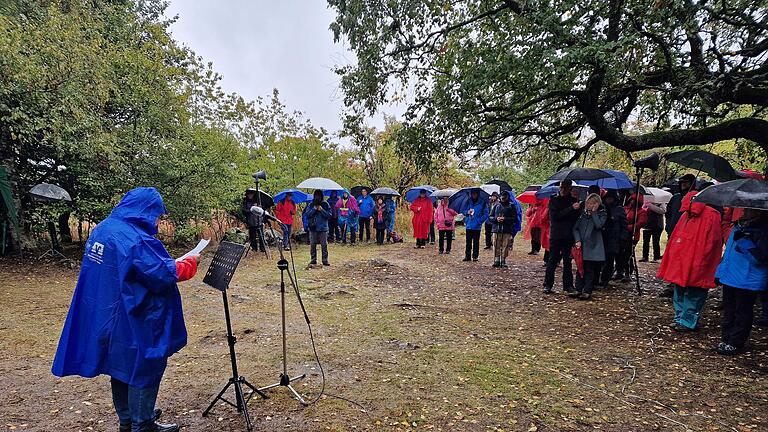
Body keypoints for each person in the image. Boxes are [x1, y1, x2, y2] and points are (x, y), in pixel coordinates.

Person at [52, 187, 199, 432]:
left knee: (119, 365)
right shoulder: (134, 238)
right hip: (136, 316)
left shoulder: (104, 229)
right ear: (145, 210)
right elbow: (161, 274)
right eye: (156, 215)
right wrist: (188, 264)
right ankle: (143, 424)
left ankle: (127, 420)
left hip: (107, 313)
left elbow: (133, 268)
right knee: (145, 365)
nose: (157, 221)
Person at [657, 191, 723, 332]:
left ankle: (685, 320)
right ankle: (683, 319)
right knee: (684, 290)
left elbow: (712, 242)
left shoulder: (701, 215)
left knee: (690, 291)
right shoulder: (691, 215)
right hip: (688, 260)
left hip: (691, 260)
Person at [715, 209, 768, 355]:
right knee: (729, 311)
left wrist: (746, 242)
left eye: (749, 209)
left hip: (748, 279)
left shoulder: (762, 230)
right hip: (731, 276)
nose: (744, 211)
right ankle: (726, 339)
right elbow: (729, 253)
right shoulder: (739, 226)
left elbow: (762, 258)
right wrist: (720, 272)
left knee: (742, 312)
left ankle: (736, 342)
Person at [543, 180, 580, 293]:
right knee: (552, 260)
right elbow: (555, 217)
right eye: (561, 187)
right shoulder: (554, 200)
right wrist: (571, 209)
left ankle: (568, 286)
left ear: (570, 188)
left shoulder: (574, 201)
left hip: (568, 236)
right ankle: (548, 284)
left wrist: (577, 209)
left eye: (565, 187)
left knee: (567, 262)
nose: (563, 190)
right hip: (556, 235)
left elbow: (576, 220)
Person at [570, 193, 607, 300]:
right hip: (581, 245)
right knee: (579, 268)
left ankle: (587, 290)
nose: (589, 205)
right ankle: (578, 289)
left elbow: (599, 225)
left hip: (593, 246)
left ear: (597, 204)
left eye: (592, 203)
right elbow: (575, 228)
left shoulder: (602, 214)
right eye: (588, 203)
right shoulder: (582, 214)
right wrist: (577, 240)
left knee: (589, 269)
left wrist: (594, 213)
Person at [599, 190, 628, 287]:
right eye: (607, 198)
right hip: (603, 237)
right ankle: (600, 278)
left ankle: (605, 279)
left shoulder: (619, 209)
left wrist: (623, 238)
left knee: (609, 260)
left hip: (614, 238)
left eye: (610, 198)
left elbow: (624, 225)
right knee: (602, 260)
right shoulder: (602, 208)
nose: (609, 200)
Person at [616, 192, 647, 282]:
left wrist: (627, 227)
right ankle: (619, 271)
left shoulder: (641, 212)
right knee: (619, 254)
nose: (633, 202)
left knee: (627, 255)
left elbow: (640, 223)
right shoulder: (625, 209)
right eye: (632, 200)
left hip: (632, 236)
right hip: (622, 234)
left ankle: (627, 273)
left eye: (635, 201)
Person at [491, 190, 518, 268]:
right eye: (502, 197)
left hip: (507, 229)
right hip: (496, 229)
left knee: (505, 245)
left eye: (504, 197)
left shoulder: (511, 206)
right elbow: (490, 216)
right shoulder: (496, 206)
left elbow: (515, 218)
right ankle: (496, 259)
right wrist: (496, 219)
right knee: (496, 244)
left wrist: (505, 219)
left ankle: (503, 260)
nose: (503, 199)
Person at [307, 189, 332, 266]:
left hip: (323, 227)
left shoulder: (325, 204)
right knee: (313, 244)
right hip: (313, 227)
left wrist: (322, 210)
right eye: (316, 195)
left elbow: (329, 215)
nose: (318, 197)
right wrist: (314, 209)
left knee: (324, 244)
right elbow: (308, 214)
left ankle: (325, 260)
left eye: (319, 195)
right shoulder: (311, 204)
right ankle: (313, 259)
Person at [462, 190, 489, 261]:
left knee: (476, 242)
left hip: (477, 226)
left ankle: (475, 256)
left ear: (477, 194)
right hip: (469, 225)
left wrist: (479, 221)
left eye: (475, 193)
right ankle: (467, 256)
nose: (473, 195)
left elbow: (486, 214)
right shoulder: (468, 201)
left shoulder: (483, 202)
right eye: (472, 193)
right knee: (468, 242)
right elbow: (463, 211)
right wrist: (467, 212)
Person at [242, 188, 265, 253]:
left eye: (251, 194)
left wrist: (258, 208)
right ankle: (254, 248)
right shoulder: (245, 202)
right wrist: (252, 209)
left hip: (259, 220)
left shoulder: (257, 201)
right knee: (252, 236)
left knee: (261, 235)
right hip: (251, 221)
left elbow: (262, 211)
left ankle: (262, 248)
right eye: (249, 194)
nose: (250, 195)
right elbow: (244, 211)